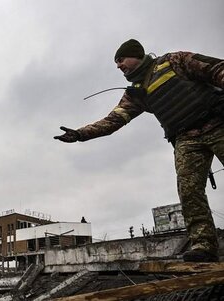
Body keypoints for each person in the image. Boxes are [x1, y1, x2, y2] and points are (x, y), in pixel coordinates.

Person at [54, 39, 224, 263]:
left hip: (217, 123)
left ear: (136, 55)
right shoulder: (137, 92)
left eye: (121, 59)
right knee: (189, 191)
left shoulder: (174, 61)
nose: (118, 66)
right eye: (116, 62)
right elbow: (113, 120)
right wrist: (80, 134)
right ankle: (204, 245)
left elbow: (216, 69)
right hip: (185, 139)